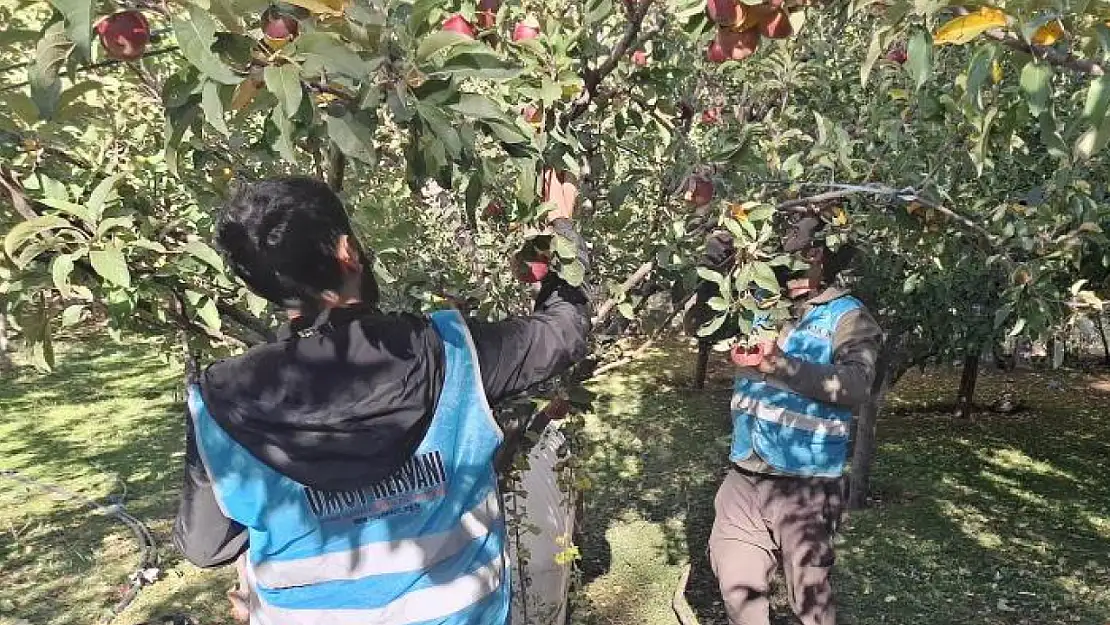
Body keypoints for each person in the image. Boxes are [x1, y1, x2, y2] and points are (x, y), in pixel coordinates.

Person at [172, 169, 589, 625]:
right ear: (347, 252)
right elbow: (563, 332)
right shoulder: (451, 353)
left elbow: (206, 546)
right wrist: (561, 228)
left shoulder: (218, 401)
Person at [685, 215, 882, 625]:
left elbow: (856, 385)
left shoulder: (848, 317)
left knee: (810, 601)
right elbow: (701, 327)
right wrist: (716, 274)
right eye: (780, 257)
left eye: (797, 257)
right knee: (736, 583)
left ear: (819, 256)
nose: (786, 267)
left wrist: (781, 365)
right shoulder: (757, 301)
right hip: (745, 474)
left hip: (807, 486)